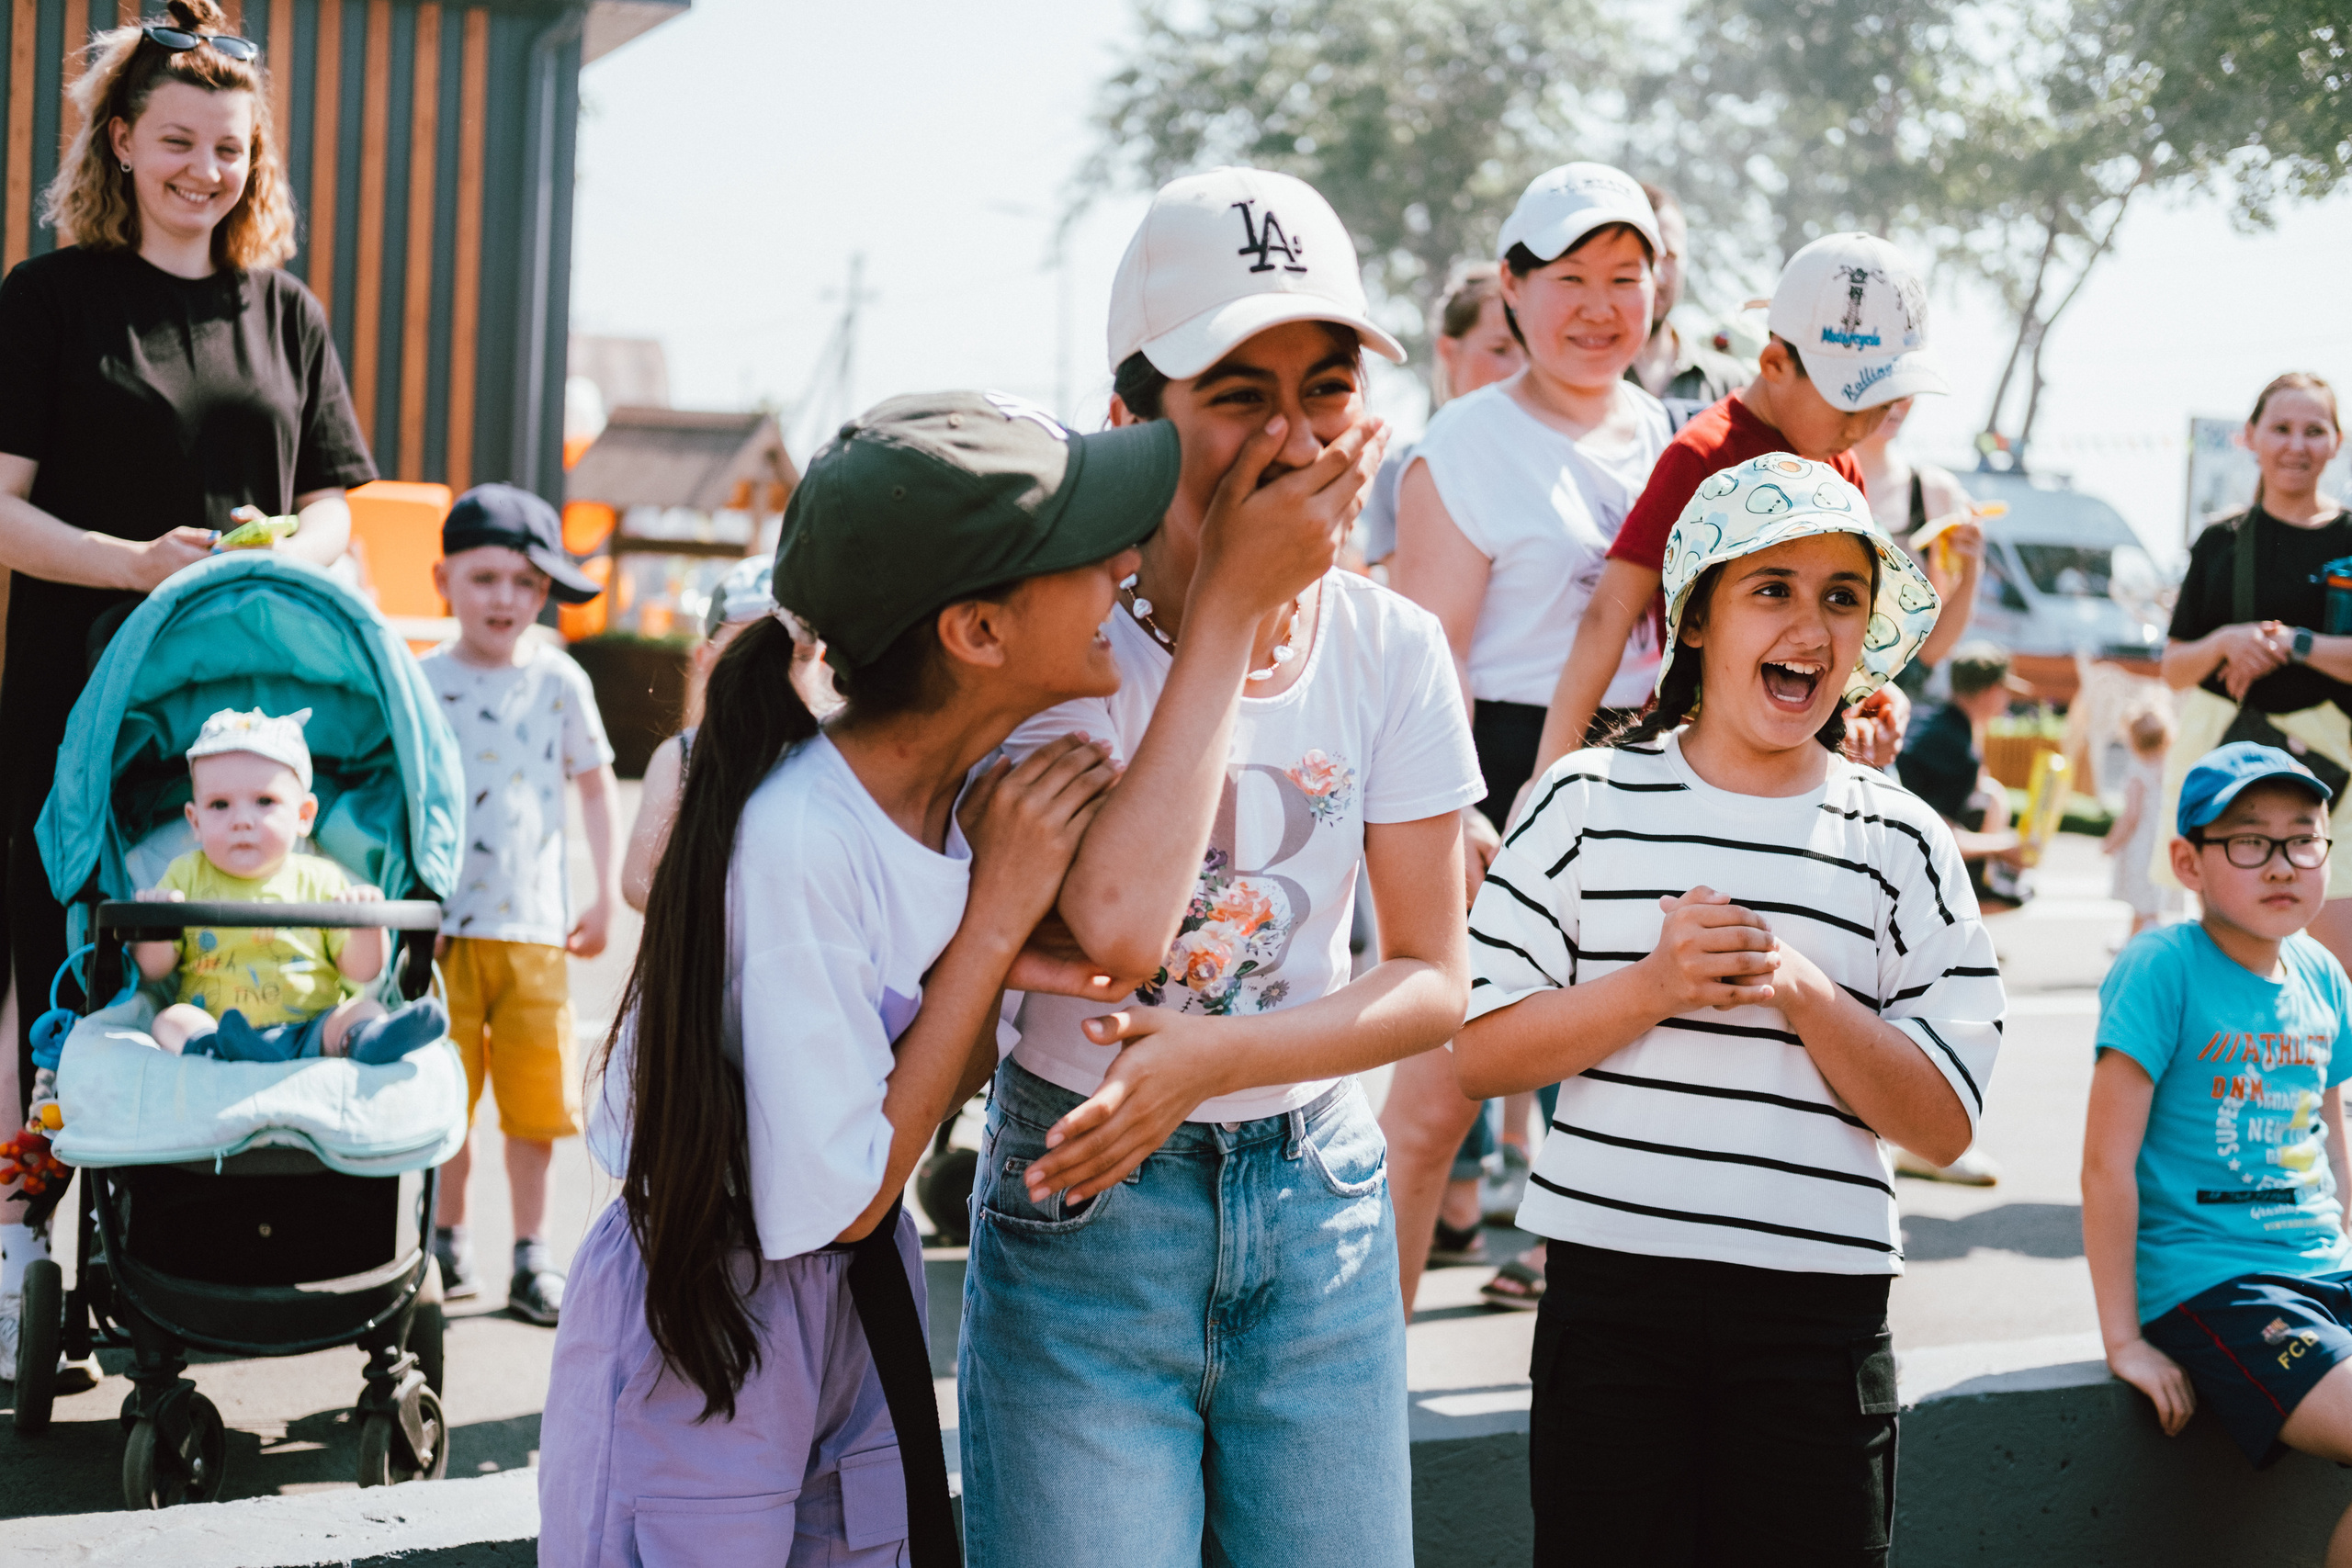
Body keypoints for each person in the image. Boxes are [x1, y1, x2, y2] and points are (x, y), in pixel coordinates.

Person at [540, 391, 1168, 1567]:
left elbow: (920, 1092)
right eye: (1086, 554)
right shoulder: (799, 841)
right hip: (714, 1315)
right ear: (976, 634)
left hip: (842, 1291)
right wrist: (987, 937)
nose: (1127, 565)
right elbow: (846, 1195)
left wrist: (986, 954)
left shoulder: (956, 799)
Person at [957, 167, 1479, 1568]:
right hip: (1086, 1213)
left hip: (1321, 1215)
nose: (1294, 433)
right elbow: (1120, 927)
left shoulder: (1392, 648)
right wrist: (1234, 606)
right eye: (1238, 392)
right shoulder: (1055, 644)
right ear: (1133, 417)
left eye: (1325, 387)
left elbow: (1433, 978)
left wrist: (1214, 1062)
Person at [1457, 455, 2002, 1567]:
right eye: (1772, 588)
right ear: (1694, 619)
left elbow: (1945, 1122)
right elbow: (1479, 1053)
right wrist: (1652, 986)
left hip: (1819, 1321)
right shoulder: (1581, 799)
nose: (1810, 624)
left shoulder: (1899, 838)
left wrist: (1803, 991)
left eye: (1840, 596)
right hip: (1610, 1309)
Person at [0, 0, 370, 1177]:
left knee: (228, 955)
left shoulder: (287, 313)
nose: (205, 171)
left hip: (246, 713)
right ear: (119, 140)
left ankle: (204, 1233)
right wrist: (131, 564)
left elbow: (337, 505)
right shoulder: (48, 298)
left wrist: (287, 554)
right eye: (177, 141)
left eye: (230, 147)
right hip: (79, 696)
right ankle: (17, 1249)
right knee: (56, 958)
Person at [1385, 162, 1675, 1312]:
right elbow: (1427, 661)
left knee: (1625, 1098)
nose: (1601, 306)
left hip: (1640, 774)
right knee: (1434, 1104)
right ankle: (1364, 1394)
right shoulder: (1460, 446)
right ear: (1509, 288)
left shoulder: (1668, 432)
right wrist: (1458, 815)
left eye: (1625, 276)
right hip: (1497, 780)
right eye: (1569, 278)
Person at [1528, 231, 1949, 790]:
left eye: (1883, 407)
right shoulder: (1703, 455)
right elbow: (1612, 610)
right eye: (1849, 402)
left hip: (1792, 763)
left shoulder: (1839, 468)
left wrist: (1870, 695)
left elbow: (1842, 627)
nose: (1864, 429)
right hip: (1693, 761)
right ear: (1775, 363)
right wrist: (1549, 774)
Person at [2083, 742, 2352, 1568]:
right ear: (2186, 862)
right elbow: (2104, 1165)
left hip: (2326, 1274)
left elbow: (2333, 1136)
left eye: (2301, 838)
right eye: (2247, 840)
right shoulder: (2162, 966)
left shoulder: (2323, 973)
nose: (2280, 863)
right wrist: (2123, 1339)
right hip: (2217, 1286)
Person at [420, 485, 619, 1326]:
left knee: (535, 1109)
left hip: (535, 930)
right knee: (443, 1100)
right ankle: (444, 1239)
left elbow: (596, 785)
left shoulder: (561, 680)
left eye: (527, 586)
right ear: (444, 578)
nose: (507, 599)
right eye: (487, 577)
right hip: (439, 936)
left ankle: (533, 1255)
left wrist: (607, 892)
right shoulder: (420, 677)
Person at [2159, 373, 2352, 968]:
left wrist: (2290, 643)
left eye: (2314, 430)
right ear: (2251, 437)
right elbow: (2173, 668)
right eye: (2282, 428)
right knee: (2232, 955)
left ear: (2336, 441)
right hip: (2227, 759)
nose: (2297, 445)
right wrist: (2225, 640)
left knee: (2339, 961)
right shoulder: (2221, 542)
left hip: (2337, 768)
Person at [130, 706, 445, 1062]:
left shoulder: (321, 878)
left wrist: (365, 924)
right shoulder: (184, 875)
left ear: (303, 816)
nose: (242, 821)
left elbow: (362, 971)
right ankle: (210, 1046)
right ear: (195, 820)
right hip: (219, 1026)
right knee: (171, 1019)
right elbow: (151, 972)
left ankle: (368, 1039)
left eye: (265, 801)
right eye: (220, 805)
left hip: (313, 1028)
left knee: (363, 1009)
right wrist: (158, 923)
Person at [619, 556, 831, 912]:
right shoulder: (682, 757)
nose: (769, 674)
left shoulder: (831, 756)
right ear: (704, 658)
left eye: (795, 655)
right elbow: (637, 881)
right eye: (745, 653)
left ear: (820, 659)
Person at [1357, 263, 1525, 571]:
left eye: (1530, 351)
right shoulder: (1402, 470)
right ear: (1449, 352)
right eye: (1500, 350)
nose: (1521, 369)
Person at [1850, 393, 1985, 694]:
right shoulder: (1808, 472)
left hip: (1895, 690)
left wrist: (1972, 569)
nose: (1897, 401)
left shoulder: (1934, 492)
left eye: (1908, 390)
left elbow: (1932, 647)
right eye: (1885, 385)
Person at [1896, 640, 2033, 912]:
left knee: (1991, 794)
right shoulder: (1959, 750)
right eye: (2004, 691)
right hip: (1902, 861)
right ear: (1990, 691)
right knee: (2015, 895)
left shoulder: (1935, 719)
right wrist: (2004, 846)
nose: (2006, 701)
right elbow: (1934, 830)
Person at [1623, 183, 1747, 406]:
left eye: (1668, 256)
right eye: (1641, 257)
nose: (1655, 276)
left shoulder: (1730, 386)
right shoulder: (1579, 376)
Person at [2102, 705, 2183, 938]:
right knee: (2148, 905)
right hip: (2164, 842)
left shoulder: (2138, 771)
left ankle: (2145, 950)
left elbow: (2131, 816)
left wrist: (2112, 842)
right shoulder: (2170, 768)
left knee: (2143, 907)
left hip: (2141, 847)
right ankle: (2131, 946)